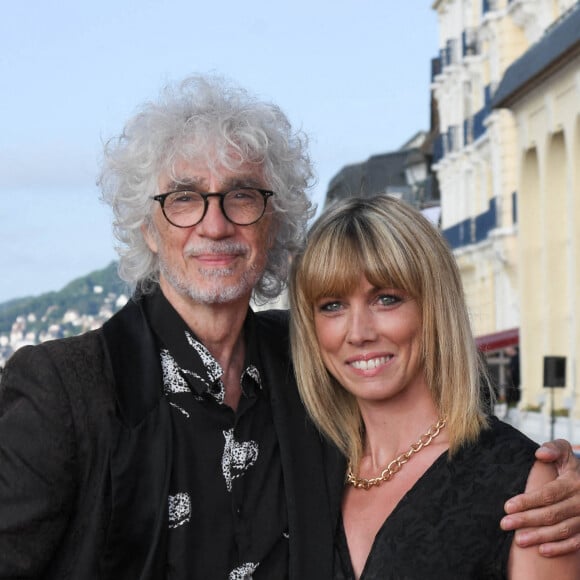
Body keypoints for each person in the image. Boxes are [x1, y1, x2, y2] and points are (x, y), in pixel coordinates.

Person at [0, 76, 578, 580]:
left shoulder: (306, 364)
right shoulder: (62, 390)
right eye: (183, 198)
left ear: (274, 222)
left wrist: (551, 478)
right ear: (148, 227)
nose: (216, 224)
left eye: (242, 196)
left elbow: (443, 414)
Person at [289, 194, 580, 579]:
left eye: (386, 299)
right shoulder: (303, 469)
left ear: (434, 307)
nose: (358, 332)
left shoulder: (525, 484)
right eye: (332, 306)